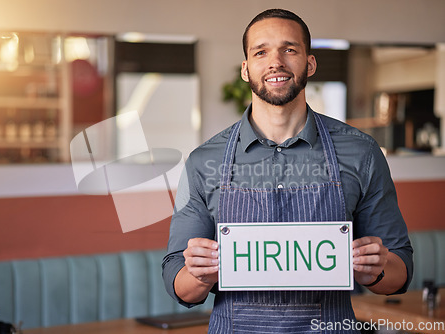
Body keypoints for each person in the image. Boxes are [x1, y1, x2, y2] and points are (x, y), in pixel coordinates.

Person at [162, 8, 413, 333]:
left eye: (289, 49)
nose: (275, 62)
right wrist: (199, 275)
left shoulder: (361, 152)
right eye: (261, 51)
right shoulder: (202, 162)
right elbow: (175, 275)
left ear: (309, 63)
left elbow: (401, 268)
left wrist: (376, 271)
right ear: (246, 68)